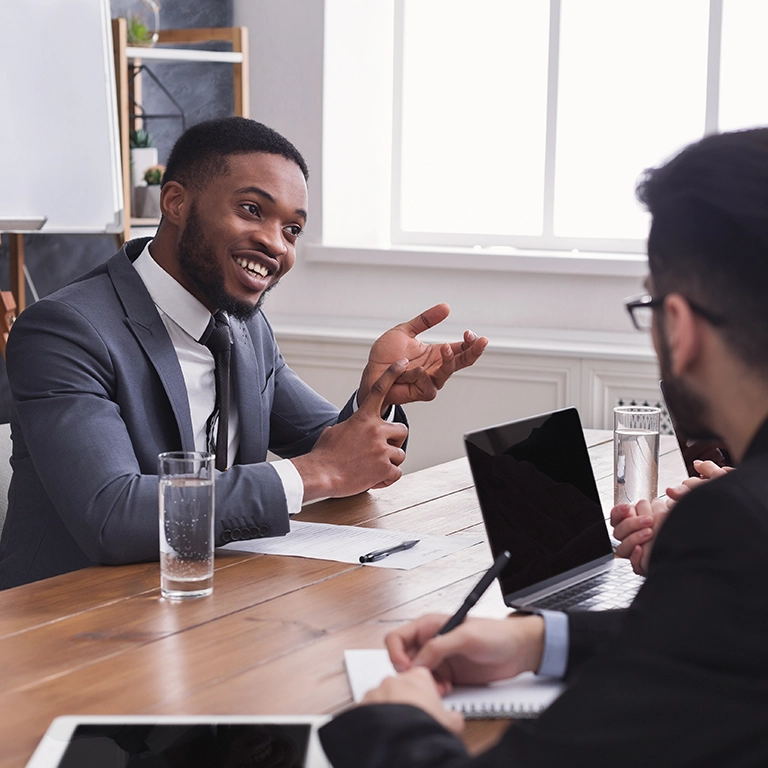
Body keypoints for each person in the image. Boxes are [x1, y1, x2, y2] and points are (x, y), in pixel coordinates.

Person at [319, 127, 768, 766]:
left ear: (680, 326)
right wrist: (537, 640)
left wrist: (395, 722)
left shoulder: (735, 524)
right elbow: (728, 639)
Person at [0, 117, 488, 589]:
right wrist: (315, 472)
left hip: (214, 597)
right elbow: (113, 517)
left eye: (292, 229)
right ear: (175, 202)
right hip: (67, 622)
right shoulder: (65, 331)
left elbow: (340, 457)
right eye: (252, 210)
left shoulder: (245, 326)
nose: (275, 243)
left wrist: (376, 394)